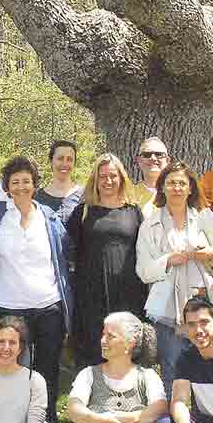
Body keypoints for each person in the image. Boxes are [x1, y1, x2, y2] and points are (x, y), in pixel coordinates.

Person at [0, 156, 74, 403]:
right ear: (7, 187)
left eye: (26, 181)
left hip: (49, 307)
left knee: (47, 369)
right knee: (11, 369)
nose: (21, 187)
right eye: (15, 182)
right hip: (8, 307)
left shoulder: (49, 217)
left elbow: (66, 252)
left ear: (34, 184)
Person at [136, 161, 213, 380]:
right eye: (171, 183)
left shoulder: (205, 217)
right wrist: (169, 260)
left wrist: (210, 254)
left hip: (204, 301)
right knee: (172, 366)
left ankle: (209, 413)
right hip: (168, 308)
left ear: (191, 188)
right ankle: (173, 413)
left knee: (210, 362)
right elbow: (143, 270)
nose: (176, 188)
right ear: (161, 187)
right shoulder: (150, 224)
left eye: (182, 183)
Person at [65, 152, 146, 369]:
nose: (108, 181)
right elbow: (68, 249)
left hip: (129, 291)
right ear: (95, 179)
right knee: (94, 345)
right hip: (91, 293)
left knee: (126, 343)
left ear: (121, 178)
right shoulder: (83, 212)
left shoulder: (134, 211)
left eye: (113, 176)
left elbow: (145, 250)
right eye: (102, 176)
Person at [34, 140, 84, 220]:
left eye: (69, 159)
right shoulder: (38, 198)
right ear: (51, 161)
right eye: (60, 158)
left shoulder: (85, 196)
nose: (64, 164)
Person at [130, 136, 169, 208]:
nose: (153, 158)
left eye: (159, 154)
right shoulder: (128, 196)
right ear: (139, 160)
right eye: (146, 155)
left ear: (167, 160)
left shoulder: (179, 192)